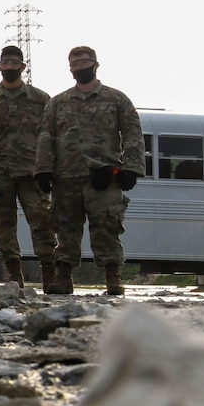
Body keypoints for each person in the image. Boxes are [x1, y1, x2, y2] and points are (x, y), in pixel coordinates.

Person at [34, 45, 143, 296]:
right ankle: (63, 277)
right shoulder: (57, 102)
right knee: (65, 229)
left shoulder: (117, 99)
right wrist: (43, 170)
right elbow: (45, 136)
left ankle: (112, 278)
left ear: (95, 64)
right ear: (70, 68)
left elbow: (132, 133)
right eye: (75, 63)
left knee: (107, 227)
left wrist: (131, 169)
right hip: (66, 177)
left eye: (84, 62)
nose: (80, 67)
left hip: (104, 177)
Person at [0, 45, 57, 289]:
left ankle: (50, 276)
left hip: (32, 174)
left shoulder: (42, 100)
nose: (10, 67)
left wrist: (49, 171)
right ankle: (14, 277)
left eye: (15, 63)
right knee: (3, 227)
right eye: (6, 63)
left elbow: (52, 137)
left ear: (23, 67)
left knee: (43, 223)